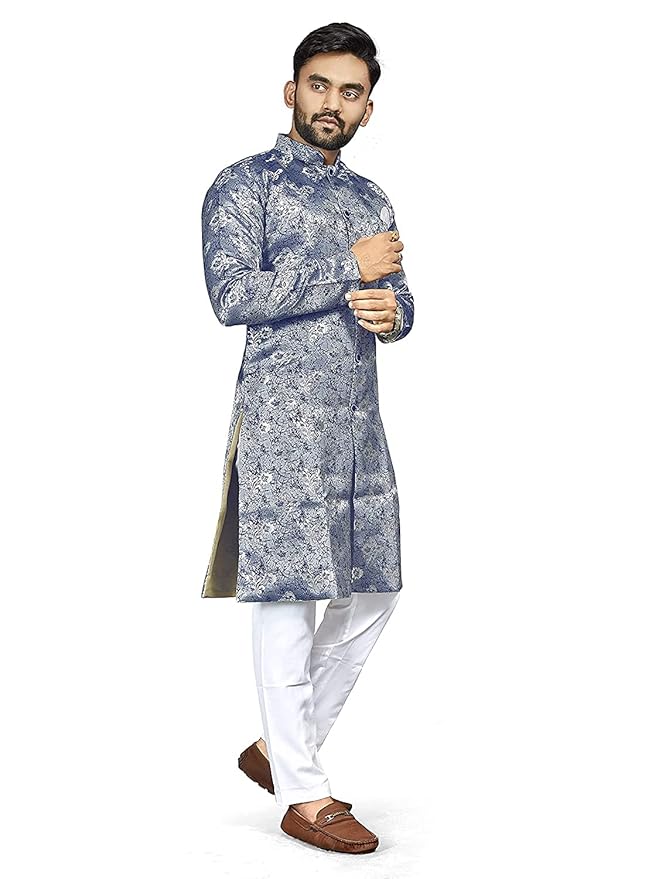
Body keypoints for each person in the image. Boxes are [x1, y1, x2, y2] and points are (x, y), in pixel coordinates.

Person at [200, 21, 414, 854]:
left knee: (375, 589)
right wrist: (347, 270)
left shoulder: (371, 200)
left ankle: (278, 748)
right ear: (291, 90)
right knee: (289, 596)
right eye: (319, 85)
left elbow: (398, 297)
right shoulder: (243, 185)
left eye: (350, 92)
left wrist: (392, 311)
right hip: (281, 423)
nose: (332, 103)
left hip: (357, 423)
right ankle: (303, 791)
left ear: (367, 107)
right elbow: (231, 295)